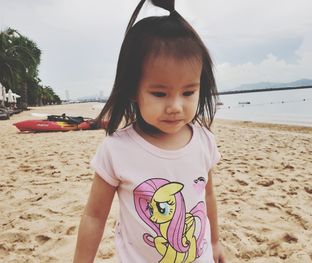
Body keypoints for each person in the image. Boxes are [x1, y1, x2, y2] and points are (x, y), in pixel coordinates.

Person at [74, 0, 226, 262]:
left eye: (188, 92)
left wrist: (215, 242)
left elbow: (207, 194)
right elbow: (94, 216)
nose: (175, 107)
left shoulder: (204, 141)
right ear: (133, 88)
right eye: (159, 93)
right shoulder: (117, 150)